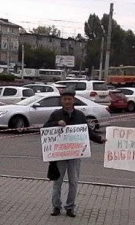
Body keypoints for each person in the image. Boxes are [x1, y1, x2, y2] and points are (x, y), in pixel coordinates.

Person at [43, 88, 105, 217]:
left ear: (73, 100)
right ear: (61, 100)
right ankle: (56, 206)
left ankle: (70, 207)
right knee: (57, 182)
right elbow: (45, 129)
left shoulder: (80, 115)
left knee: (73, 181)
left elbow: (87, 132)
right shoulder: (56, 114)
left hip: (75, 155)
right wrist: (56, 123)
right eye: (64, 99)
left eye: (69, 99)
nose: (67, 101)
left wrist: (99, 139)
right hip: (60, 155)